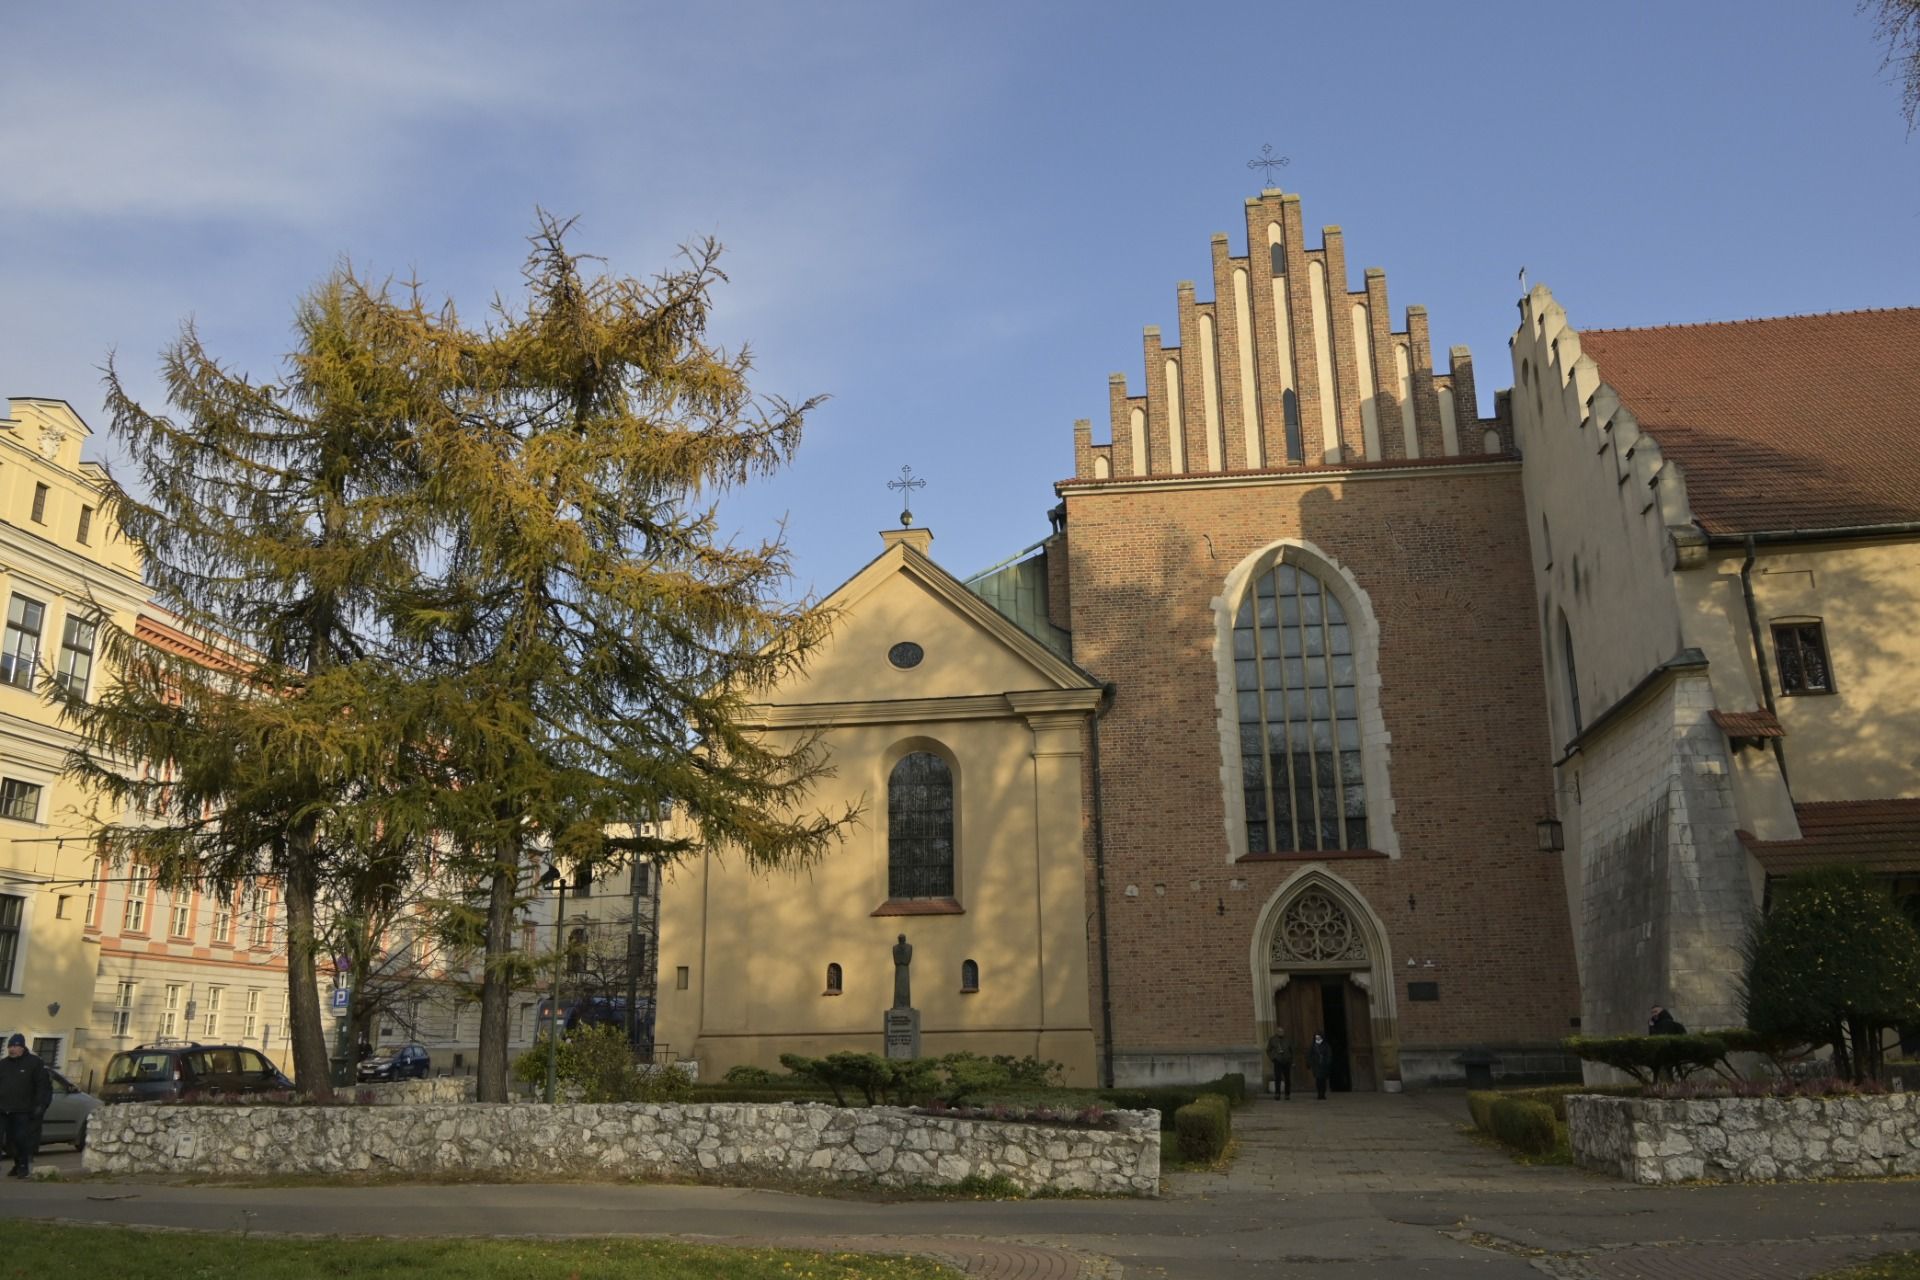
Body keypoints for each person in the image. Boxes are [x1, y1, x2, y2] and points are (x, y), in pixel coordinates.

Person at [0, 1034, 51, 1179]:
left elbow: (42, 1086)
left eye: (16, 1046)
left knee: (20, 1139)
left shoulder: (34, 1063)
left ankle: (22, 1164)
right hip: (3, 1109)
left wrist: (40, 1104)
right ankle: (17, 1164)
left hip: (23, 1110)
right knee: (6, 1141)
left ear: (22, 1047)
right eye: (10, 1046)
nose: (12, 1049)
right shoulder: (3, 1064)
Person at [1266, 1028, 1294, 1101]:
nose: (1281, 1032)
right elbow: (1268, 1050)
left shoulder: (1288, 1039)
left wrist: (1291, 1060)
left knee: (1287, 1078)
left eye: (1282, 1031)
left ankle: (1287, 1094)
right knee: (1277, 1078)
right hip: (1277, 1061)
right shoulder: (1272, 1040)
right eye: (1279, 1031)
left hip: (1286, 1061)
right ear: (1276, 1032)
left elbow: (1292, 1050)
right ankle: (1277, 1093)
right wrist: (1273, 1058)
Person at [1306, 1032, 1333, 1101]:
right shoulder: (1313, 1046)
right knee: (1318, 1080)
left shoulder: (1326, 1045)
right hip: (1316, 1065)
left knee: (1323, 1080)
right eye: (1316, 1037)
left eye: (1319, 1037)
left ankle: (1323, 1094)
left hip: (1323, 1065)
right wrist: (1309, 1063)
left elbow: (1329, 1054)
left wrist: (1327, 1062)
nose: (1317, 1038)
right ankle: (1319, 1093)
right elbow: (1309, 1055)